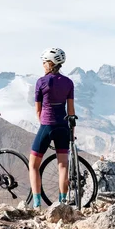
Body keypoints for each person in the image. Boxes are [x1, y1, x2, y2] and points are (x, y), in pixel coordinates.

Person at [28, 47, 75, 208]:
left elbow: (38, 110)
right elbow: (71, 111)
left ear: (50, 63)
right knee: (63, 166)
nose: (43, 65)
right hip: (63, 127)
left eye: (44, 62)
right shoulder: (68, 83)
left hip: (47, 125)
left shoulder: (41, 82)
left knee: (33, 165)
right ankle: (62, 203)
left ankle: (36, 203)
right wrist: (71, 132)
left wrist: (44, 125)